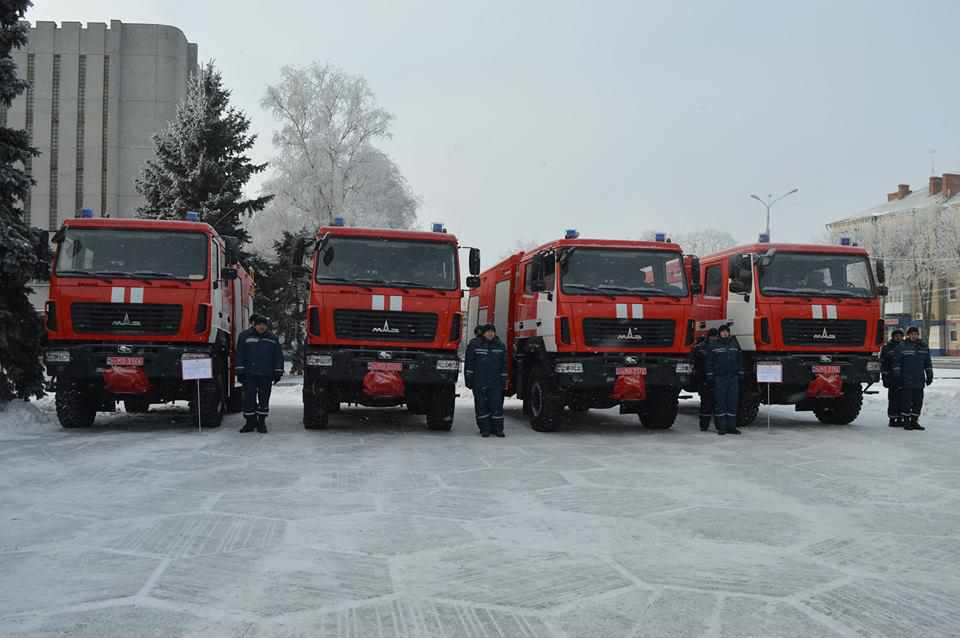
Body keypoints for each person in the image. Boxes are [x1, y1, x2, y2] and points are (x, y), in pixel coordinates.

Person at [236, 315, 284, 433]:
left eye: (264, 325)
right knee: (249, 399)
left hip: (266, 374)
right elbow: (240, 354)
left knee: (264, 399)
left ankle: (261, 423)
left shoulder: (273, 338)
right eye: (259, 324)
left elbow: (278, 356)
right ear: (254, 325)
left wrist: (278, 372)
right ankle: (250, 422)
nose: (261, 327)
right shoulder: (244, 336)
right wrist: (240, 371)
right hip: (249, 374)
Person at [464, 324, 507, 438]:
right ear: (483, 333)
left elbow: (504, 365)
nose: (490, 334)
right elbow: (469, 363)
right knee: (481, 405)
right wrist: (468, 378)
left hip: (495, 382)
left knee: (496, 405)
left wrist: (504, 379)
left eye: (492, 331)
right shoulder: (475, 344)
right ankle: (485, 429)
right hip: (479, 380)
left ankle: (498, 429)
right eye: (488, 332)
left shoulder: (500, 345)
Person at [892, 326, 933, 431]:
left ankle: (914, 421)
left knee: (918, 401)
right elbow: (896, 363)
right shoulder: (902, 346)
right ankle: (906, 422)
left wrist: (929, 375)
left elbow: (927, 363)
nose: (914, 336)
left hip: (919, 379)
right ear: (908, 335)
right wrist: (897, 376)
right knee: (906, 401)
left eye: (916, 334)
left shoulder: (923, 346)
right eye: (912, 334)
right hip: (906, 379)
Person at [706, 324, 743, 435]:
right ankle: (721, 427)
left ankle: (731, 427)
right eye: (722, 332)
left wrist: (740, 372)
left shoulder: (735, 344)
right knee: (720, 402)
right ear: (719, 334)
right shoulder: (713, 345)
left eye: (726, 331)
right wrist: (710, 375)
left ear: (729, 333)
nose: (725, 333)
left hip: (733, 378)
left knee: (732, 402)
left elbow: (740, 359)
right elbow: (709, 362)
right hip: (720, 378)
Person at [694, 328, 720, 431]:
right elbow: (696, 364)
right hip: (704, 379)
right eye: (712, 336)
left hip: (717, 379)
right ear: (708, 337)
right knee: (706, 403)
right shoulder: (701, 348)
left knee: (718, 404)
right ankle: (704, 425)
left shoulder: (719, 347)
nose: (714, 338)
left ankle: (719, 425)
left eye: (715, 336)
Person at [880, 328, 904, 427]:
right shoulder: (887, 348)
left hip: (903, 378)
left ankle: (900, 418)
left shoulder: (905, 347)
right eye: (896, 336)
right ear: (893, 337)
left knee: (903, 399)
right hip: (892, 377)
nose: (898, 338)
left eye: (900, 336)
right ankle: (892, 419)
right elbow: (883, 364)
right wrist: (885, 377)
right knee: (893, 399)